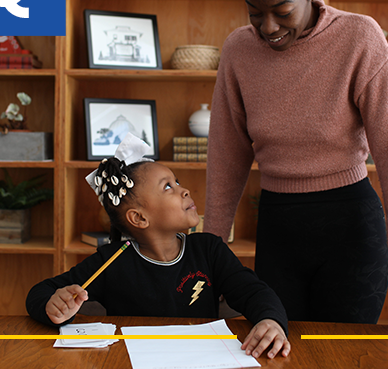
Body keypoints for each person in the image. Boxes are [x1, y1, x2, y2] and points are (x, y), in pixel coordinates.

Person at [203, 0, 388, 333]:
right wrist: (209, 253)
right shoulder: (237, 51)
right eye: (254, 11)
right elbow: (225, 158)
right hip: (277, 231)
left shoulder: (359, 37)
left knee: (341, 353)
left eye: (282, 11)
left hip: (351, 230)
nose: (267, 27)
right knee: (276, 352)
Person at [26, 134, 291, 359]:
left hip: (203, 360)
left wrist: (270, 320)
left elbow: (254, 291)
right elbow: (40, 292)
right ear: (139, 218)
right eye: (168, 187)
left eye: (176, 182)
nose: (184, 190)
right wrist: (53, 305)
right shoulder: (112, 260)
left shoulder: (209, 250)